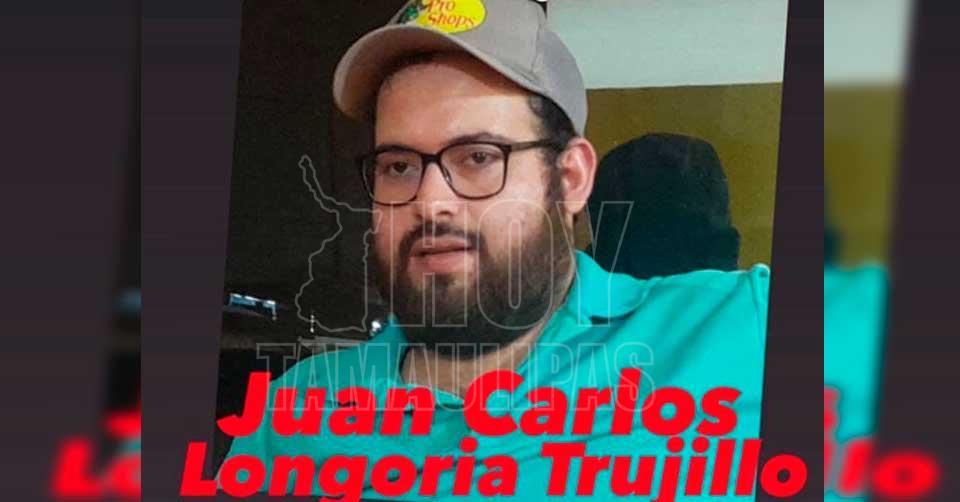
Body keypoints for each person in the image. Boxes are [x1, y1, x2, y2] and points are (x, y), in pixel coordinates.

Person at [221, 0, 770, 499]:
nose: (430, 203)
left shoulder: (739, 328)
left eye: (478, 157)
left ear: (570, 179)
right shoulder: (294, 415)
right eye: (399, 167)